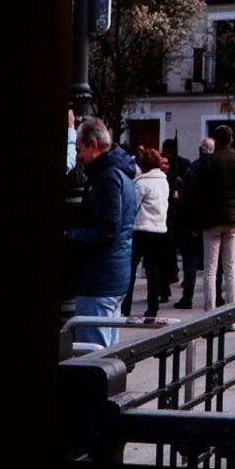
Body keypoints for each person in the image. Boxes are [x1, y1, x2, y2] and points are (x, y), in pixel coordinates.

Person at [66, 117, 137, 348]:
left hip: (99, 278)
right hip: (112, 274)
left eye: (79, 149)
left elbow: (107, 229)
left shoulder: (107, 177)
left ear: (93, 145)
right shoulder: (119, 173)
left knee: (92, 353)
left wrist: (70, 237)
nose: (78, 156)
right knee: (106, 350)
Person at [192, 125, 235, 312]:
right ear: (231, 139)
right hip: (233, 220)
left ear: (216, 140)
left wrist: (197, 222)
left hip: (211, 220)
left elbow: (199, 194)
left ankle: (209, 310)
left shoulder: (207, 162)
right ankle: (231, 312)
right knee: (230, 267)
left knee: (210, 269)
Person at [122, 146, 169, 317]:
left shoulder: (141, 183)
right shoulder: (164, 181)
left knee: (131, 268)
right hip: (159, 229)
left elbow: (132, 206)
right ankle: (153, 307)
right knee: (152, 270)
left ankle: (126, 306)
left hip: (141, 229)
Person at [172, 137, 214, 308]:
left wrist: (192, 224)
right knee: (214, 262)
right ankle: (216, 296)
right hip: (213, 221)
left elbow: (187, 199)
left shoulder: (193, 170)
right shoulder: (216, 168)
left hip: (193, 224)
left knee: (190, 261)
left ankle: (187, 297)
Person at [159, 138, 191, 302]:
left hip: (176, 215)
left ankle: (171, 278)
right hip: (165, 217)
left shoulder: (182, 166)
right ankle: (165, 285)